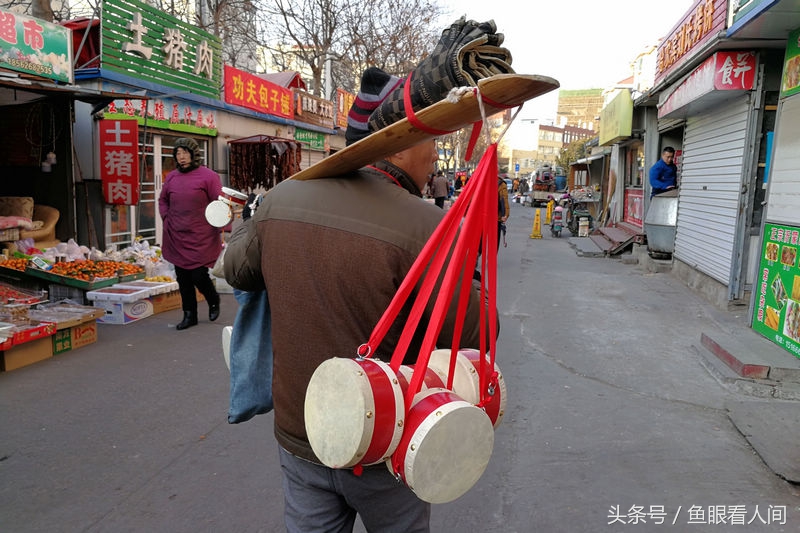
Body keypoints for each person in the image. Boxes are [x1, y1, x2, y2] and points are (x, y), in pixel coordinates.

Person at [224, 66, 490, 533]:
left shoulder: (281, 200)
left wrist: (256, 217)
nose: (435, 156)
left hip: (300, 431)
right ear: (403, 142)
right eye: (432, 141)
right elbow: (471, 334)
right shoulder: (425, 227)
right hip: (385, 442)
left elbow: (236, 270)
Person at [158, 137, 222, 331]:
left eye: (185, 153)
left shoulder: (209, 176)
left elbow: (218, 203)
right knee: (183, 277)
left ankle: (212, 298)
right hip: (177, 234)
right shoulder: (172, 177)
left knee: (198, 274)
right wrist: (166, 217)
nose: (181, 157)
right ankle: (189, 314)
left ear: (194, 154)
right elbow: (163, 200)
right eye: (178, 153)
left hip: (200, 235)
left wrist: (222, 226)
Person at [498, 174, 510, 250]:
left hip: (482, 216)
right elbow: (504, 200)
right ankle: (491, 260)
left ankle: (477, 254)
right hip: (496, 216)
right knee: (494, 240)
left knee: (480, 238)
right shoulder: (501, 183)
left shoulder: (480, 180)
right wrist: (505, 214)